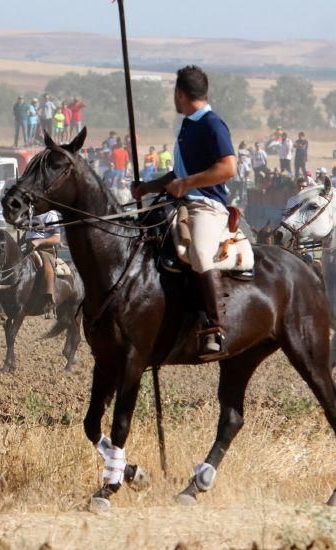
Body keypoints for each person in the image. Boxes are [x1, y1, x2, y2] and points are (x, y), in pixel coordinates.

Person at [132, 65, 238, 361]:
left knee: (200, 253)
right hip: (178, 202)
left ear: (181, 94)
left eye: (174, 93)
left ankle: (216, 327)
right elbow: (177, 174)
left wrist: (187, 184)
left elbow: (228, 168)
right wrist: (148, 187)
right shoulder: (189, 124)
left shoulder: (212, 124)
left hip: (207, 205)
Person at [24, 208, 62, 315]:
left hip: (45, 249)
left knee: (47, 269)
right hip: (28, 247)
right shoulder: (29, 211)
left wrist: (39, 241)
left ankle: (49, 300)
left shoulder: (50, 214)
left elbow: (56, 238)